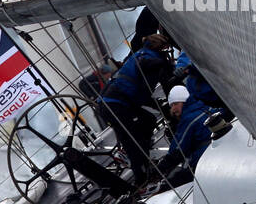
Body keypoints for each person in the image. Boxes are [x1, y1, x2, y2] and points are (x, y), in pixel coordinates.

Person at [99, 33, 175, 183]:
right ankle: (142, 179)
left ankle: (144, 155)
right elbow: (144, 65)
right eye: (165, 48)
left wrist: (161, 106)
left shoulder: (143, 52)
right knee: (134, 140)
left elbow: (142, 95)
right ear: (159, 47)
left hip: (120, 103)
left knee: (149, 119)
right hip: (113, 105)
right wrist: (162, 64)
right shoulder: (146, 57)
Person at [155, 85, 219, 186]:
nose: (173, 109)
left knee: (174, 181)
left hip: (204, 161)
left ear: (184, 102)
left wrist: (159, 169)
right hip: (217, 151)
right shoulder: (205, 108)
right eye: (171, 105)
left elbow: (178, 149)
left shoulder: (188, 120)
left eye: (175, 104)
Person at [77, 61, 117, 127]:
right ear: (105, 73)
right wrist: (91, 96)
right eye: (109, 74)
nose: (109, 76)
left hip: (100, 103)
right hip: (96, 102)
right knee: (101, 117)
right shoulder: (94, 78)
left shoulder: (103, 82)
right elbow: (82, 84)